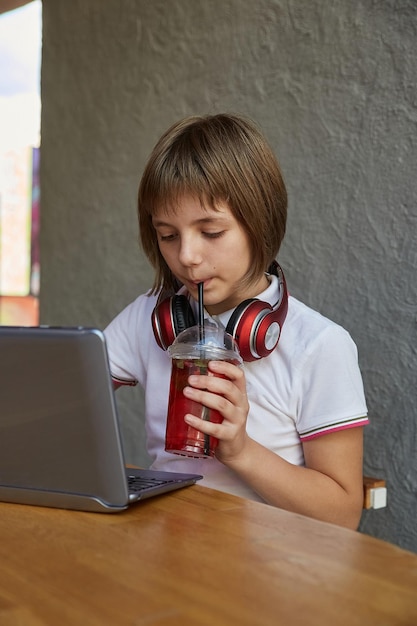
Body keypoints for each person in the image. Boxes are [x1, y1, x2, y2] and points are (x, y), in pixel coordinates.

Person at [104, 113, 368, 529]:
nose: (187, 256)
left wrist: (241, 450)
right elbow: (58, 394)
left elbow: (342, 513)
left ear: (258, 223)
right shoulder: (150, 318)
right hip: (169, 556)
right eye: (168, 235)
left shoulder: (319, 345)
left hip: (273, 574)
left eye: (210, 232)